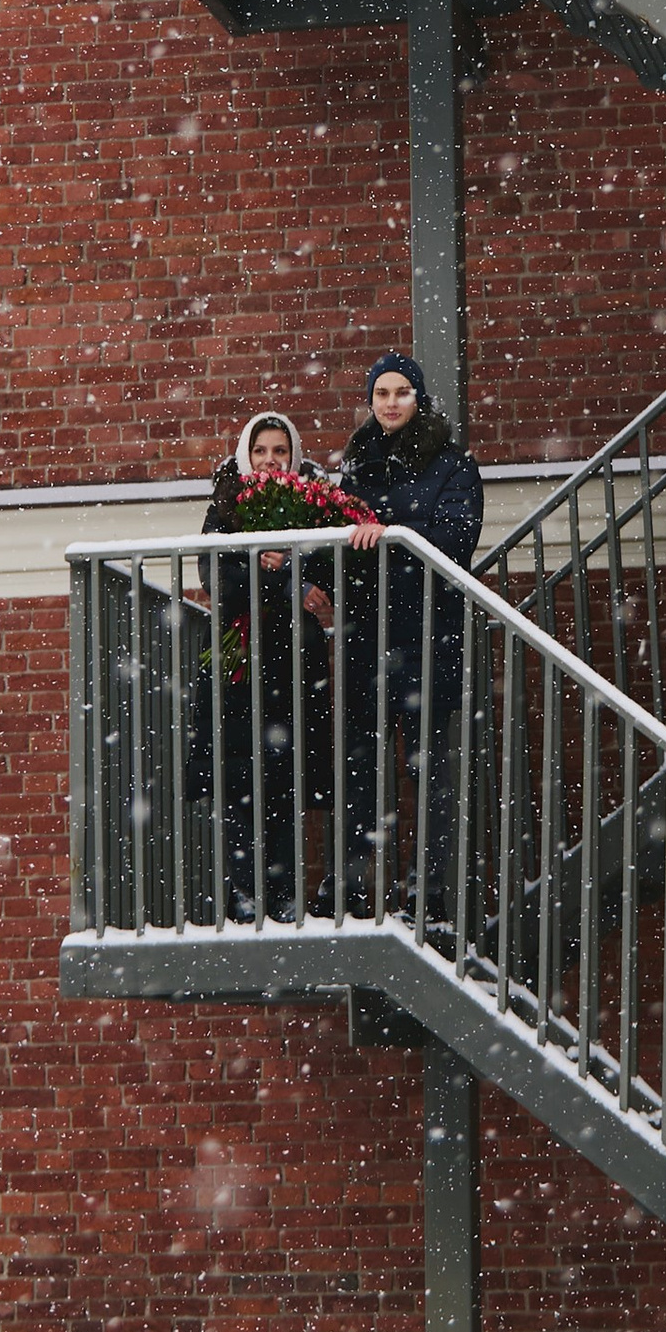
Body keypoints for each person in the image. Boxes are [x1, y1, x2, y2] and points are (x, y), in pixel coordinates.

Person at [325, 351, 484, 926]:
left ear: (418, 399)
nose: (390, 403)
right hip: (367, 634)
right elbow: (338, 539)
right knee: (360, 769)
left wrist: (388, 532)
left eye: (401, 392)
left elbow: (457, 537)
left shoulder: (451, 463)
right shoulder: (357, 465)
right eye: (381, 393)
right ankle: (354, 886)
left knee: (429, 770)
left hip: (428, 634)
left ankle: (429, 891)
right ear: (370, 400)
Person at [185, 409, 342, 921]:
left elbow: (329, 576)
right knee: (238, 777)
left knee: (287, 777)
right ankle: (243, 891)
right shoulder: (226, 503)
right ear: (245, 456)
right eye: (260, 451)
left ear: (293, 456)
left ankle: (284, 890)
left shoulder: (315, 505)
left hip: (293, 659)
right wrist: (279, 575)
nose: (270, 460)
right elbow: (220, 580)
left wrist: (289, 567)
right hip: (239, 659)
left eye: (279, 451)